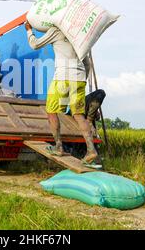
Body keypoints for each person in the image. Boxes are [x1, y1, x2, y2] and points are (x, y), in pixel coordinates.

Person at [25, 22, 100, 165]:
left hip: (62, 78)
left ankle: (59, 146)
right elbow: (87, 64)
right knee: (79, 115)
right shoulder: (78, 36)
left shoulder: (56, 30)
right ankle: (91, 150)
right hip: (78, 78)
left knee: (51, 111)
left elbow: (35, 44)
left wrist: (29, 30)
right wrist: (81, 79)